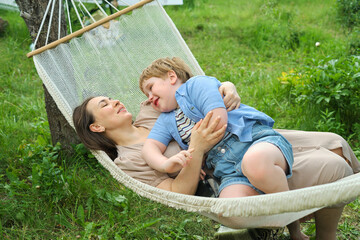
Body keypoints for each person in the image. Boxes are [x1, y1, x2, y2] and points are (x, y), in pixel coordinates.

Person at [73, 77, 359, 240]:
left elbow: (189, 89)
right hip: (229, 168)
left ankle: (310, 225)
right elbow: (176, 193)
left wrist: (226, 86)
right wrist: (196, 149)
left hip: (244, 133)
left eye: (111, 98)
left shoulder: (150, 111)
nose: (115, 102)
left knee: (336, 145)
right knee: (332, 167)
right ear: (97, 127)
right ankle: (312, 230)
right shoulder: (128, 160)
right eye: (105, 105)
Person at [139, 57, 310, 239]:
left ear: (171, 77)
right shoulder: (166, 119)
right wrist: (166, 164)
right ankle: (268, 229)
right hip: (228, 171)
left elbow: (218, 122)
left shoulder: (195, 86)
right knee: (228, 210)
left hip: (253, 142)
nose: (149, 98)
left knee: (256, 164)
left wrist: (198, 150)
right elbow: (149, 148)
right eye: (146, 95)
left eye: (150, 87)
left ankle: (295, 229)